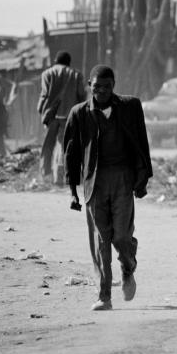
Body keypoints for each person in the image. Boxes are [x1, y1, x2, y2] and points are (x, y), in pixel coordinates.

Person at [63, 65, 152, 311]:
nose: (101, 91)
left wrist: (143, 178)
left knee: (122, 235)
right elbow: (71, 154)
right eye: (97, 86)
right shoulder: (79, 113)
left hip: (123, 180)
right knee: (102, 240)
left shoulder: (130, 107)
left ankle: (128, 266)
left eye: (107, 86)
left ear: (114, 86)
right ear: (89, 86)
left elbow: (141, 142)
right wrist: (72, 191)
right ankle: (104, 296)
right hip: (95, 183)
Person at [37, 51, 86, 185]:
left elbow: (44, 95)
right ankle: (61, 176)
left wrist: (41, 110)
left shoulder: (47, 73)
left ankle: (46, 176)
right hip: (70, 116)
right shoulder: (76, 74)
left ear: (56, 61)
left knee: (48, 145)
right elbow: (82, 95)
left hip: (51, 115)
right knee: (64, 146)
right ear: (69, 62)